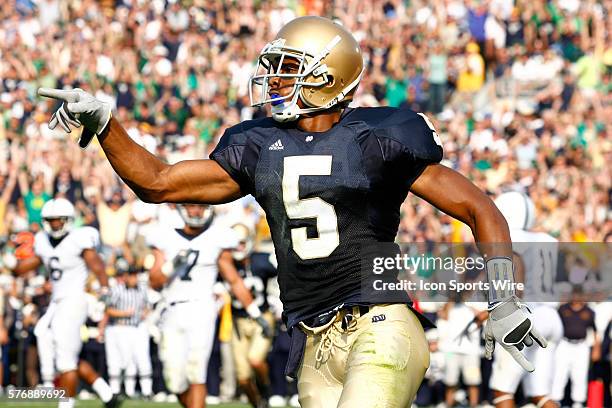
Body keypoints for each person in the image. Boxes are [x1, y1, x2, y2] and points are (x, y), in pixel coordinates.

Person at [38, 16, 546, 407]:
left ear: (329, 75)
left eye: (288, 68)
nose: (274, 80)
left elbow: (481, 208)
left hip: (382, 323)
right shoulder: (257, 145)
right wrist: (106, 124)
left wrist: (503, 300)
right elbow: (158, 183)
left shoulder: (377, 138)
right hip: (311, 341)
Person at [2, 198, 121, 408]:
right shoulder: (43, 240)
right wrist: (10, 261)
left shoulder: (79, 238)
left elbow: (98, 266)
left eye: (59, 220)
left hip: (74, 300)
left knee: (65, 359)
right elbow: (26, 266)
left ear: (68, 220)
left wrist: (104, 290)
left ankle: (66, 404)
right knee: (50, 341)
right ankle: (106, 392)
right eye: (51, 220)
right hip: (57, 303)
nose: (55, 224)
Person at [147, 203, 266, 408]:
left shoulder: (216, 237)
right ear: (182, 209)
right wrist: (171, 265)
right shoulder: (165, 235)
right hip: (172, 309)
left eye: (200, 206)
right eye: (191, 206)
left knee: (197, 370)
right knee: (174, 380)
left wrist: (254, 312)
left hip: (202, 309)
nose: (195, 211)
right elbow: (154, 281)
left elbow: (234, 280)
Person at [488, 191, 564, 408]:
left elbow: (509, 283)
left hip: (525, 315)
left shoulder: (507, 238)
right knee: (541, 395)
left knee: (502, 391)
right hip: (551, 316)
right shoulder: (549, 240)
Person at [229, 222, 277, 407]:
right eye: (234, 244)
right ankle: (257, 404)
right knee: (242, 379)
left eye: (241, 243)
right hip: (237, 323)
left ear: (248, 242)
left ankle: (266, 390)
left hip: (262, 318)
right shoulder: (226, 263)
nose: (238, 248)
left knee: (255, 360)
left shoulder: (262, 260)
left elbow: (285, 275)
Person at [105, 259, 153, 399]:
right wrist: (124, 313)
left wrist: (145, 313)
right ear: (125, 276)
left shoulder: (142, 289)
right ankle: (116, 391)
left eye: (135, 275)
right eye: (130, 275)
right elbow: (108, 309)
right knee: (120, 360)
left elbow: (147, 306)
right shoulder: (117, 290)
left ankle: (144, 391)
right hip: (120, 327)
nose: (133, 278)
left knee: (140, 359)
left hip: (137, 327)